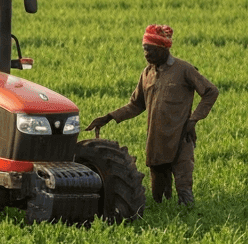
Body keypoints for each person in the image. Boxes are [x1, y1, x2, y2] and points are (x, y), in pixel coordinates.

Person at [86, 24, 219, 206]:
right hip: (156, 141)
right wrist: (108, 117)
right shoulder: (147, 73)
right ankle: (165, 219)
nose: (146, 54)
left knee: (184, 191)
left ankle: (189, 221)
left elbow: (211, 91)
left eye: (150, 50)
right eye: (144, 49)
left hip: (180, 138)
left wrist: (193, 120)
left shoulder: (184, 69)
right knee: (157, 196)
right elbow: (135, 105)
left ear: (163, 48)